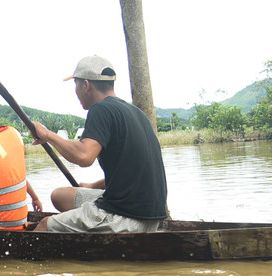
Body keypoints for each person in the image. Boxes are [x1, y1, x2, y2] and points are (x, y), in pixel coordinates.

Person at [28, 56, 168, 233]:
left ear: (86, 85)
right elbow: (133, 170)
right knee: (60, 196)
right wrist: (93, 186)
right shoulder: (136, 113)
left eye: (76, 85)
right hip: (150, 215)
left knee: (44, 225)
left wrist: (48, 135)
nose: (76, 93)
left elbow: (84, 156)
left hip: (126, 215)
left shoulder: (101, 109)